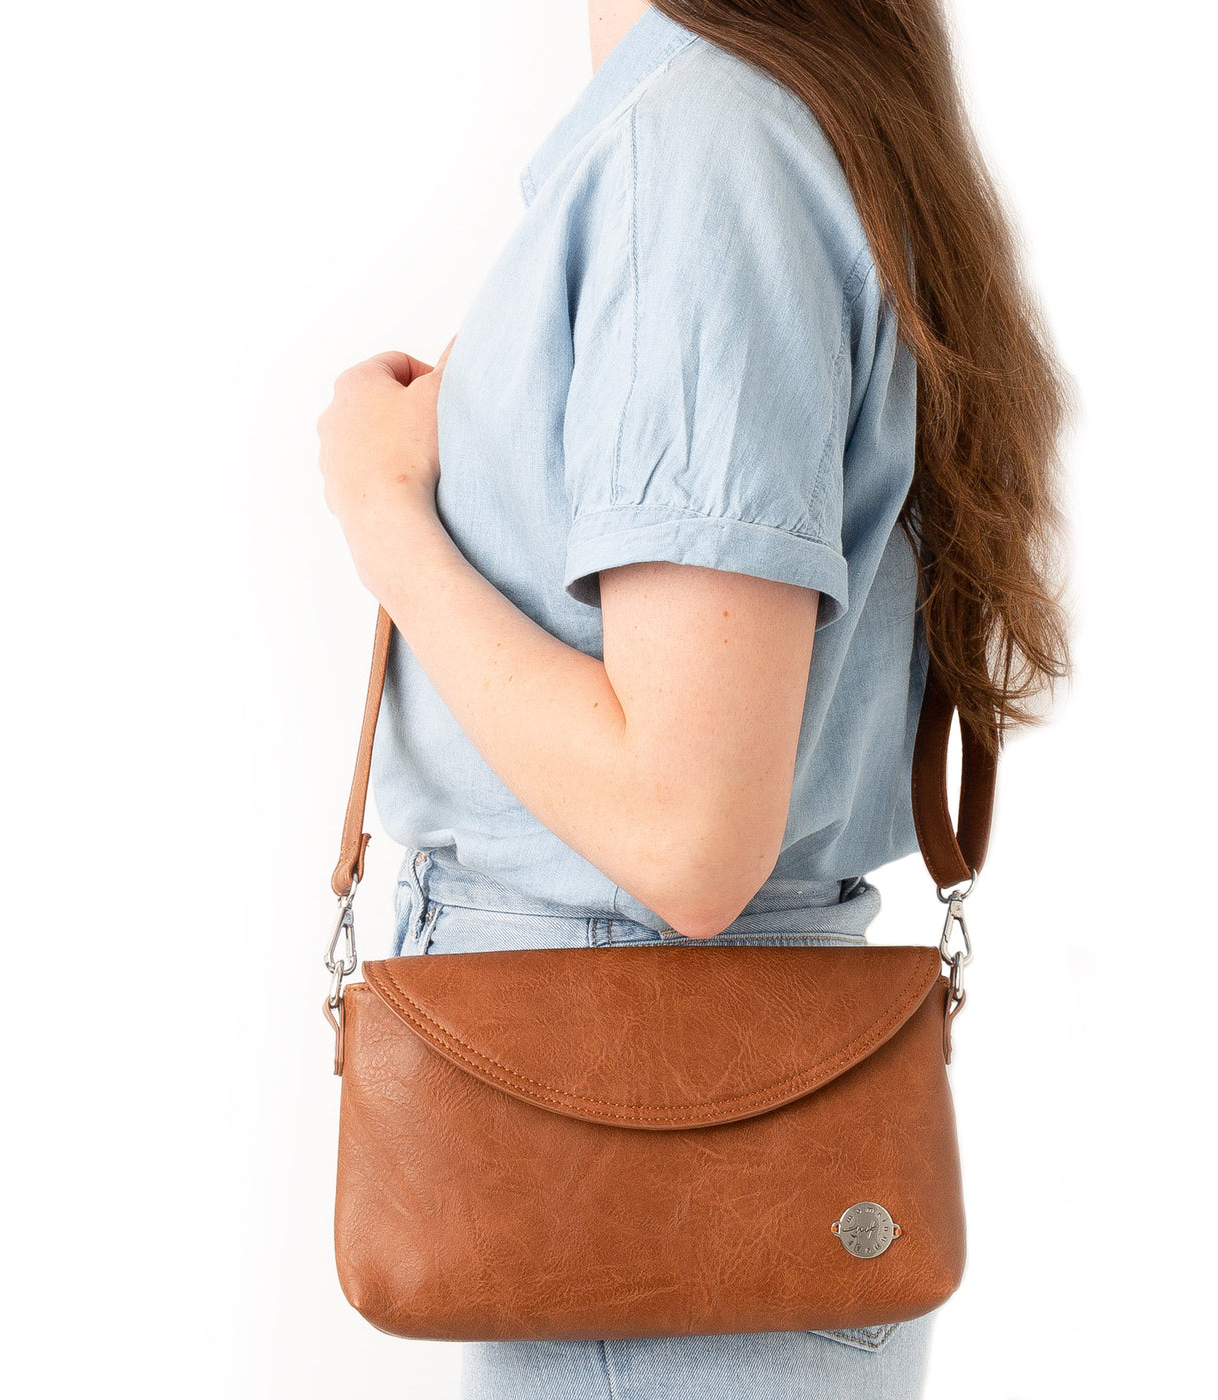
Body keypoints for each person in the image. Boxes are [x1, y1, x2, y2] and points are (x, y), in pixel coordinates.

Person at [316, 1, 1069, 1395]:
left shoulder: (702, 151)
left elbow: (688, 835)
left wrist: (384, 516)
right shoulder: (743, 120)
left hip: (635, 1151)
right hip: (665, 1167)